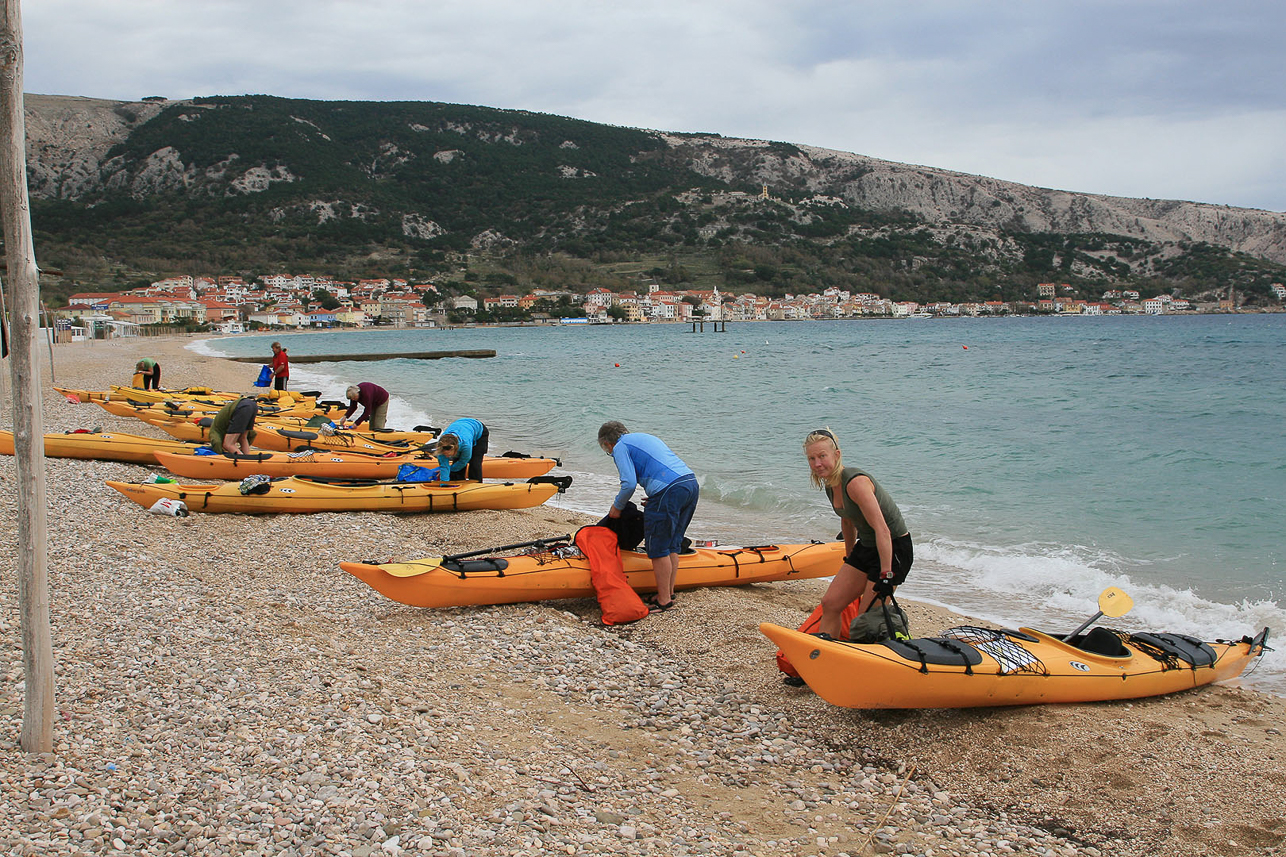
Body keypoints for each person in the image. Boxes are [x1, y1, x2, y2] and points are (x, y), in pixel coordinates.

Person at [803, 428, 913, 639]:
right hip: (868, 546)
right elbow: (847, 519)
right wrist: (849, 557)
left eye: (822, 456)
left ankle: (865, 659)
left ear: (836, 455)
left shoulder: (855, 483)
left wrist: (887, 575)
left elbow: (882, 529)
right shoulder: (830, 484)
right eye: (812, 458)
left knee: (865, 619)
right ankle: (826, 655)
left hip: (893, 547)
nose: (817, 463)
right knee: (830, 604)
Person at [598, 421, 699, 612]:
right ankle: (668, 593)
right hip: (689, 484)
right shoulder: (643, 437)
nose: (609, 452)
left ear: (607, 443)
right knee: (672, 544)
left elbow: (628, 483)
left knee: (658, 547)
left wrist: (617, 507)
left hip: (669, 490)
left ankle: (664, 601)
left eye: (606, 449)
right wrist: (658, 498)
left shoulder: (620, 446)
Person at [434, 418, 489, 482]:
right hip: (461, 426)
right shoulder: (441, 447)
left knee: (474, 464)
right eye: (445, 454)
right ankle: (456, 482)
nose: (447, 457)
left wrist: (450, 469)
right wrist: (444, 484)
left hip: (479, 430)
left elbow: (463, 461)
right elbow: (444, 466)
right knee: (456, 469)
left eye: (449, 455)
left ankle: (476, 485)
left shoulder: (465, 446)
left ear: (455, 449)